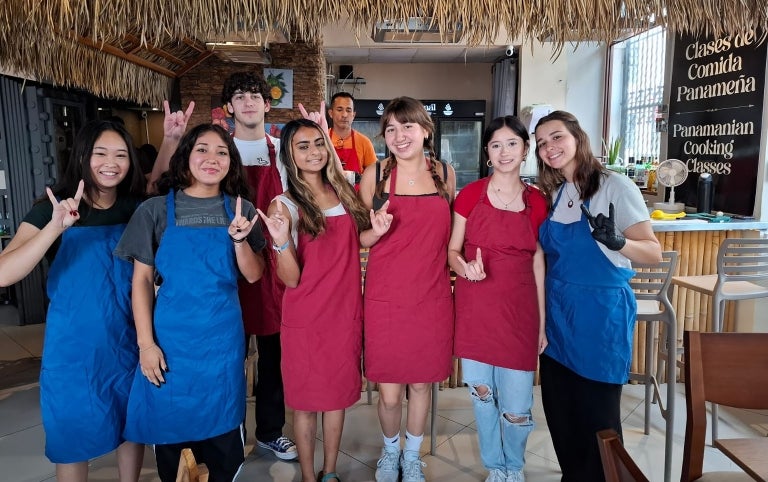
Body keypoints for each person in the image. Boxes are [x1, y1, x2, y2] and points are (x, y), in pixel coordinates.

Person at [153, 71, 297, 460]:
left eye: (255, 95)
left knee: (273, 355)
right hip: (219, 269)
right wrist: (170, 139)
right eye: (239, 96)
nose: (248, 101)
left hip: (265, 264)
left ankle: (270, 429)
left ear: (268, 105)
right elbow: (163, 189)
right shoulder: (217, 151)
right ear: (228, 107)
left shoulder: (282, 152)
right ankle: (224, 427)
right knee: (223, 356)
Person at [115, 123, 266, 482]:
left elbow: (255, 275)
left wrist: (240, 241)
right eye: (202, 149)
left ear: (232, 162)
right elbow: (140, 282)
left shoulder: (241, 210)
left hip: (221, 344)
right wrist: (146, 344)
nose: (212, 158)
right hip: (170, 346)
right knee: (172, 447)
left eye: (221, 152)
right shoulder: (155, 211)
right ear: (185, 157)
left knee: (223, 447)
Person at [0, 120, 146, 482]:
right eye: (100, 153)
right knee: (70, 435)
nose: (110, 162)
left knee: (131, 425)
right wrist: (54, 227)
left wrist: (172, 141)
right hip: (73, 350)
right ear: (82, 156)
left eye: (120, 155)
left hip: (129, 340)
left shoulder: (134, 208)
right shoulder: (50, 208)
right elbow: (4, 272)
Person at [534, 111, 662, 482]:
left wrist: (620, 242)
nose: (549, 147)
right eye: (542, 143)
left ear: (578, 137)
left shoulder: (615, 186)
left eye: (556, 137)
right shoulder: (557, 192)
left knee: (598, 421)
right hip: (559, 317)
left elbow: (652, 251)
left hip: (599, 316)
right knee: (562, 415)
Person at [258, 118, 373, 482]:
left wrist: (378, 231)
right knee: (306, 404)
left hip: (344, 314)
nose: (313, 152)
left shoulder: (343, 193)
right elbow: (290, 278)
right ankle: (309, 476)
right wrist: (279, 241)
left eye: (318, 143)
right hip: (306, 319)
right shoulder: (284, 205)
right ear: (289, 155)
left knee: (337, 398)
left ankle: (330, 471)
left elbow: (356, 241)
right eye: (302, 146)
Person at [358, 96, 456, 482]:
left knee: (421, 383)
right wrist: (375, 231)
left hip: (431, 298)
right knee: (390, 392)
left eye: (408, 127)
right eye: (392, 129)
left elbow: (451, 238)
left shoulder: (444, 174)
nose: (399, 136)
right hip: (385, 299)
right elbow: (359, 239)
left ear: (425, 131)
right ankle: (390, 451)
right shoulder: (376, 175)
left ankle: (412, 456)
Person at [448, 116, 548, 482]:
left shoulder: (538, 201)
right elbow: (452, 250)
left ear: (524, 149)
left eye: (511, 144)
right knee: (482, 395)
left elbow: (538, 261)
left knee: (517, 406)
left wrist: (542, 321)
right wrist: (462, 267)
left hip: (520, 313)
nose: (504, 152)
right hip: (477, 309)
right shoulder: (470, 194)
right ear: (487, 152)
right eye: (496, 145)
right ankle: (495, 467)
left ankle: (515, 467)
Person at [327, 92, 378, 178]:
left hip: (357, 191)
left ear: (353, 115)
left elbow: (374, 174)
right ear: (331, 113)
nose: (344, 115)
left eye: (348, 110)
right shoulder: (323, 139)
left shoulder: (364, 142)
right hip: (327, 191)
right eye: (339, 110)